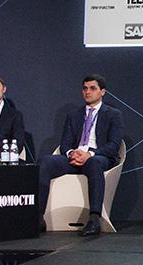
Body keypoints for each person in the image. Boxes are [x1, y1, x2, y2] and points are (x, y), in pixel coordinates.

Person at [38, 75, 124, 236]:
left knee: (93, 163)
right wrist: (72, 153)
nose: (87, 92)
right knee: (45, 162)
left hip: (99, 156)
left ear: (102, 92)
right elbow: (65, 144)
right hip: (75, 157)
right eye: (85, 88)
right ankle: (38, 217)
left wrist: (89, 154)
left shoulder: (113, 114)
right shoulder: (74, 115)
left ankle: (94, 219)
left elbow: (113, 145)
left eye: (92, 88)